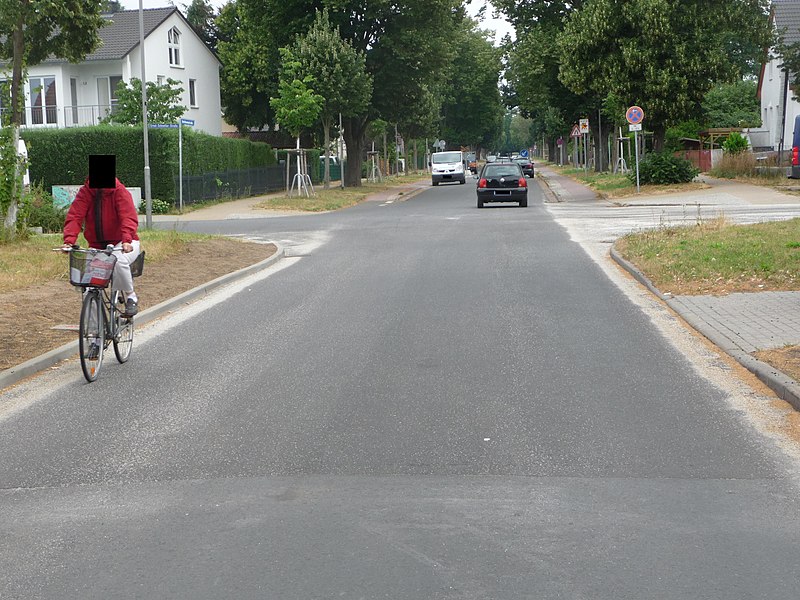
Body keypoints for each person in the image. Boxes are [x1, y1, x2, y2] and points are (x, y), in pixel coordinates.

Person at [62, 156, 141, 316]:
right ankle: (93, 334)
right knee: (88, 287)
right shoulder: (86, 192)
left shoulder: (119, 191)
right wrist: (69, 241)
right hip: (97, 246)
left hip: (123, 242)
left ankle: (130, 295)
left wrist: (126, 240)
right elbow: (75, 216)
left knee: (119, 262)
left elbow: (128, 216)